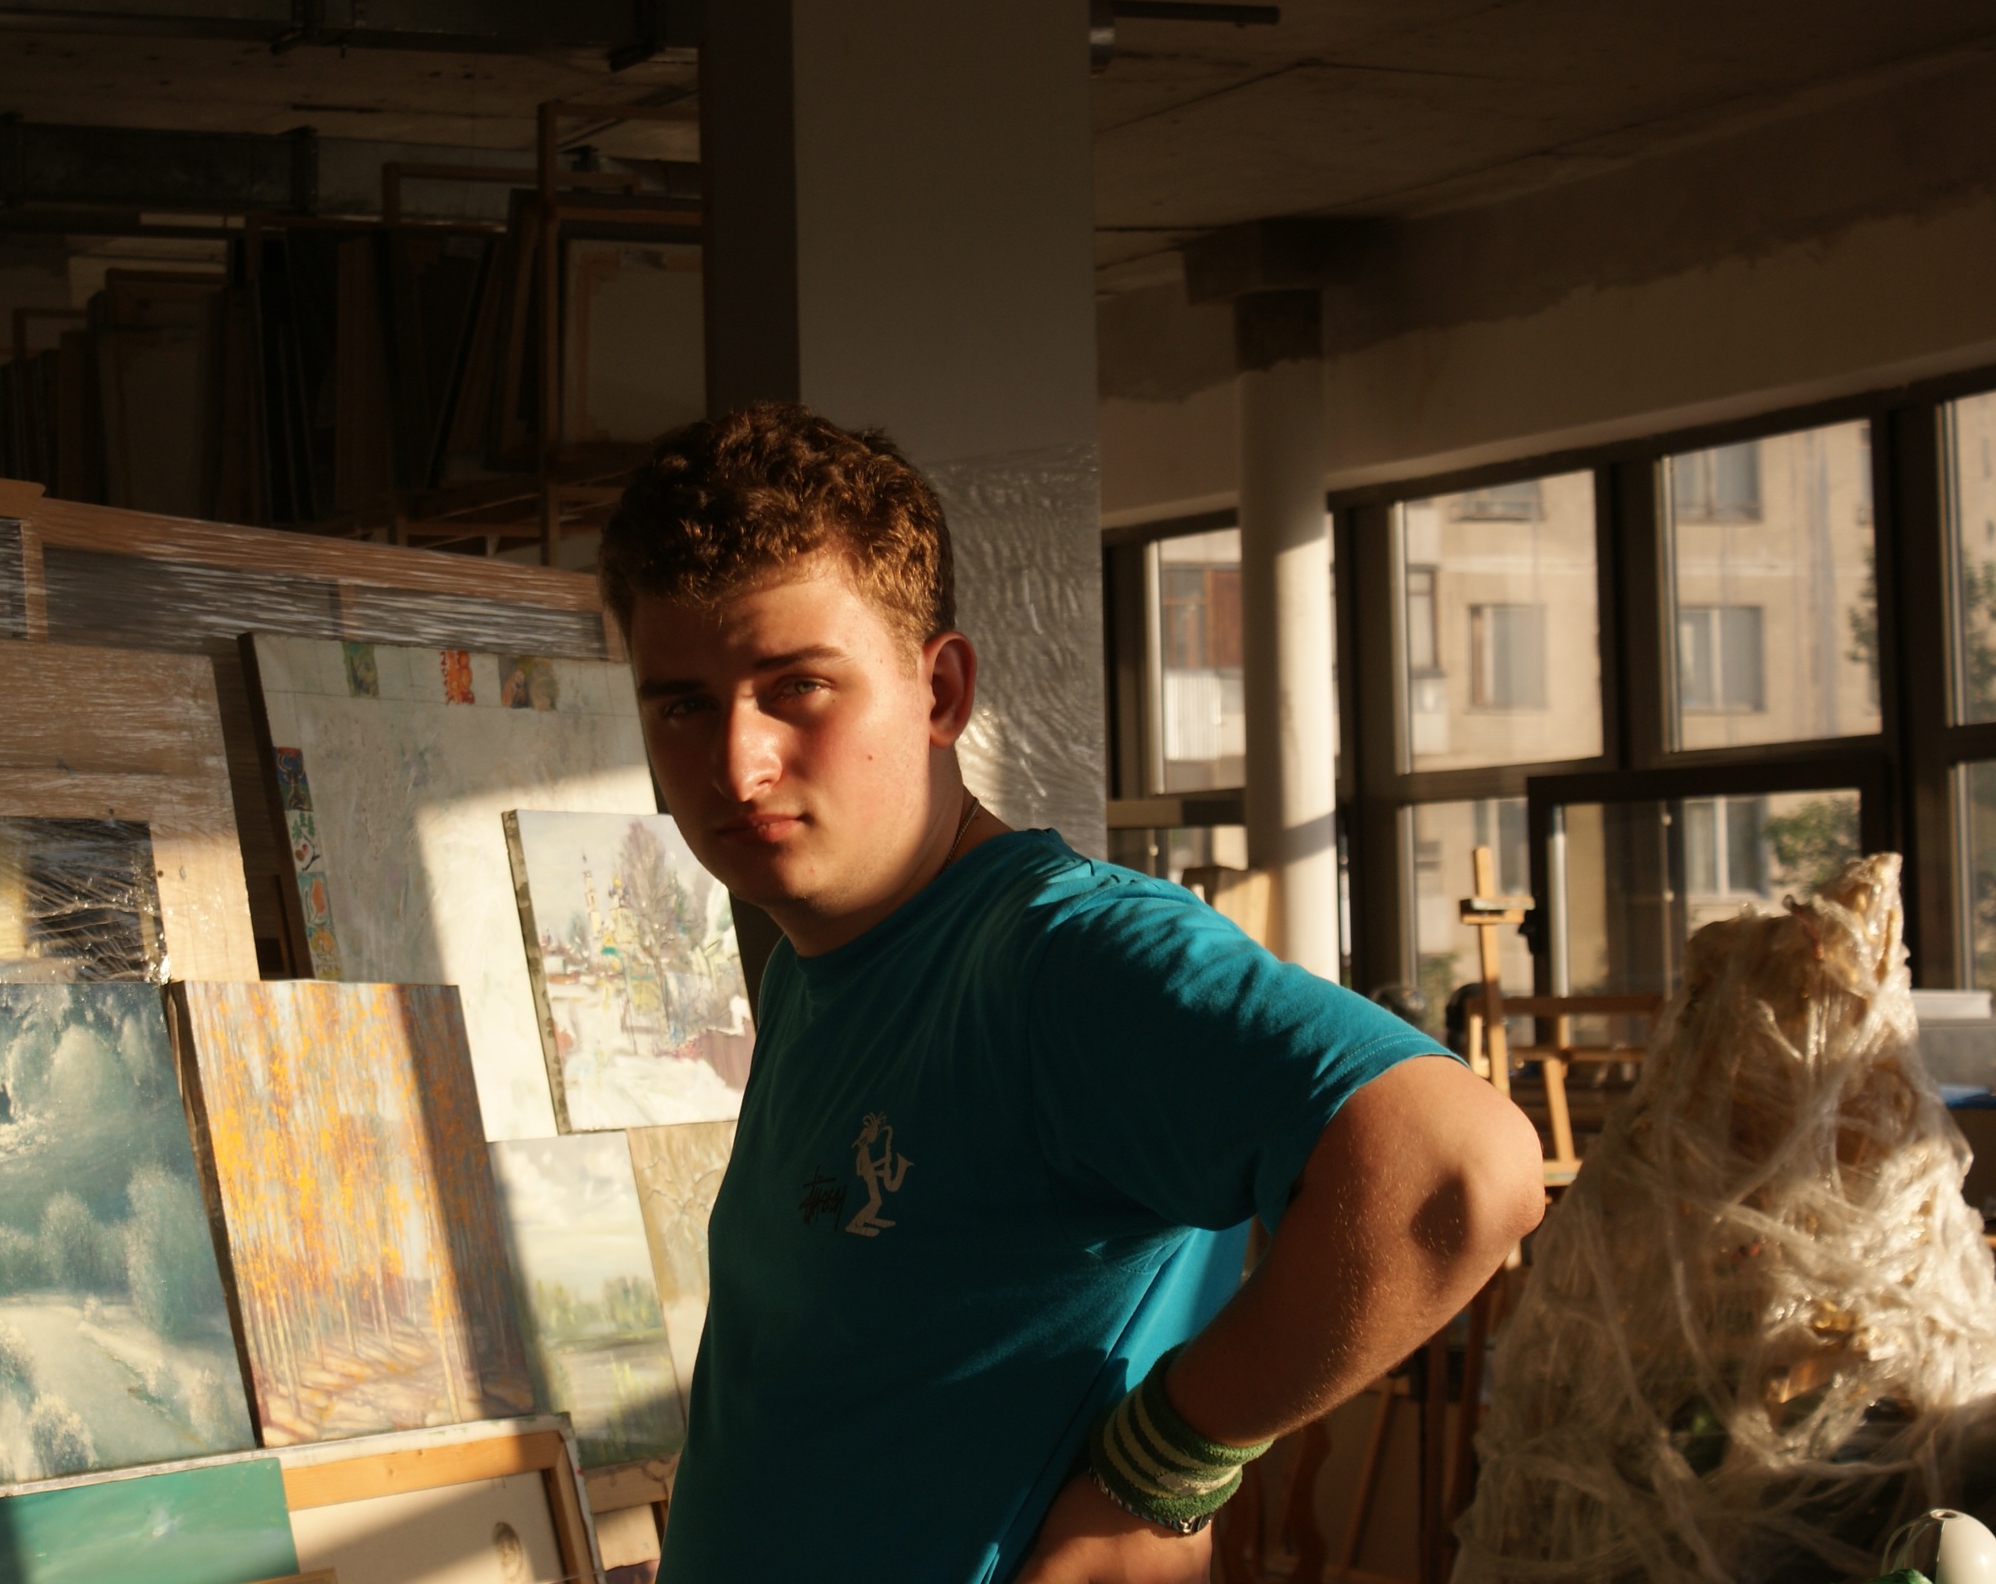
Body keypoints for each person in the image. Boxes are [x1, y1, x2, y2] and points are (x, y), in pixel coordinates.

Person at [595, 404, 1547, 1584]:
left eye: (797, 687)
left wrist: (1158, 1477)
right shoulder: (814, 964)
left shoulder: (1057, 954)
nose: (737, 765)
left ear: (941, 693)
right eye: (683, 704)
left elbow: (1456, 1169)